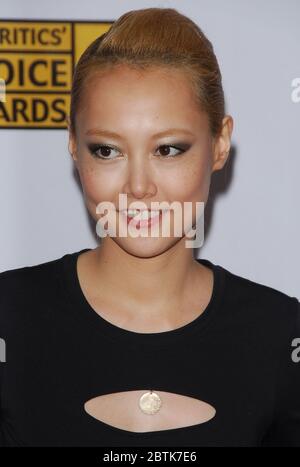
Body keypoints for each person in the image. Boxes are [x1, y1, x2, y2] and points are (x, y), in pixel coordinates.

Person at [0, 7, 299, 447]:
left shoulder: (282, 339)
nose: (138, 187)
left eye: (169, 149)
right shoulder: (9, 318)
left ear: (219, 144)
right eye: (107, 151)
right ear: (73, 146)